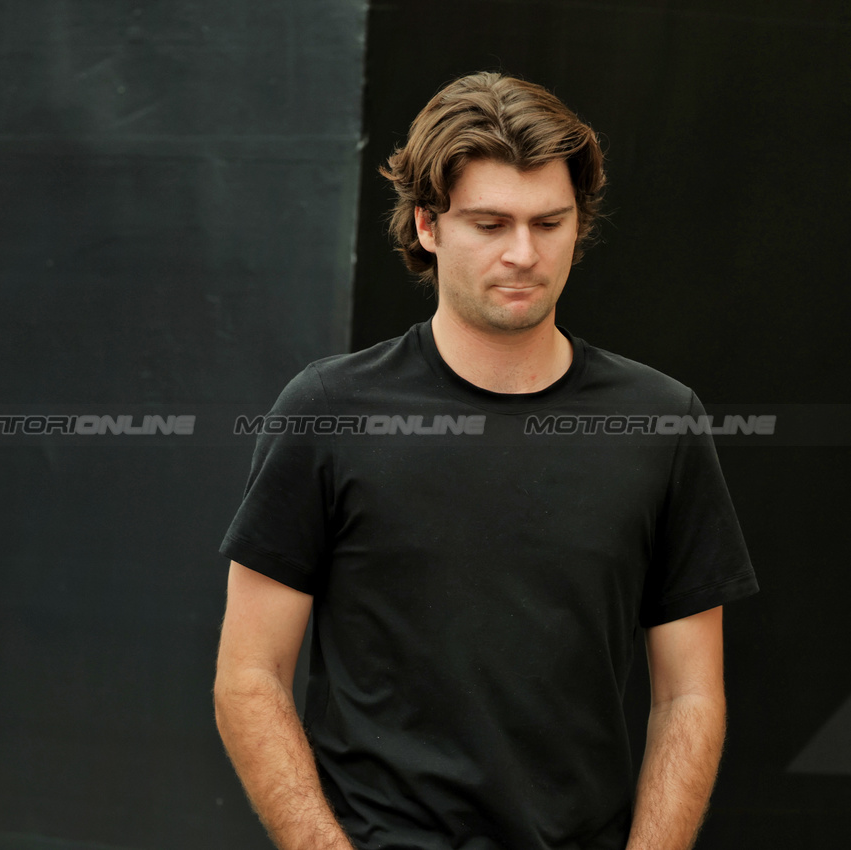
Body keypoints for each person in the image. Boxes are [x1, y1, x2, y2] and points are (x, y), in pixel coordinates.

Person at [214, 72, 758, 850]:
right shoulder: (327, 409)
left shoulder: (660, 420)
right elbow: (248, 675)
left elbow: (689, 695)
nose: (523, 254)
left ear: (580, 224)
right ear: (427, 225)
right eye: (489, 222)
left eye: (549, 222)